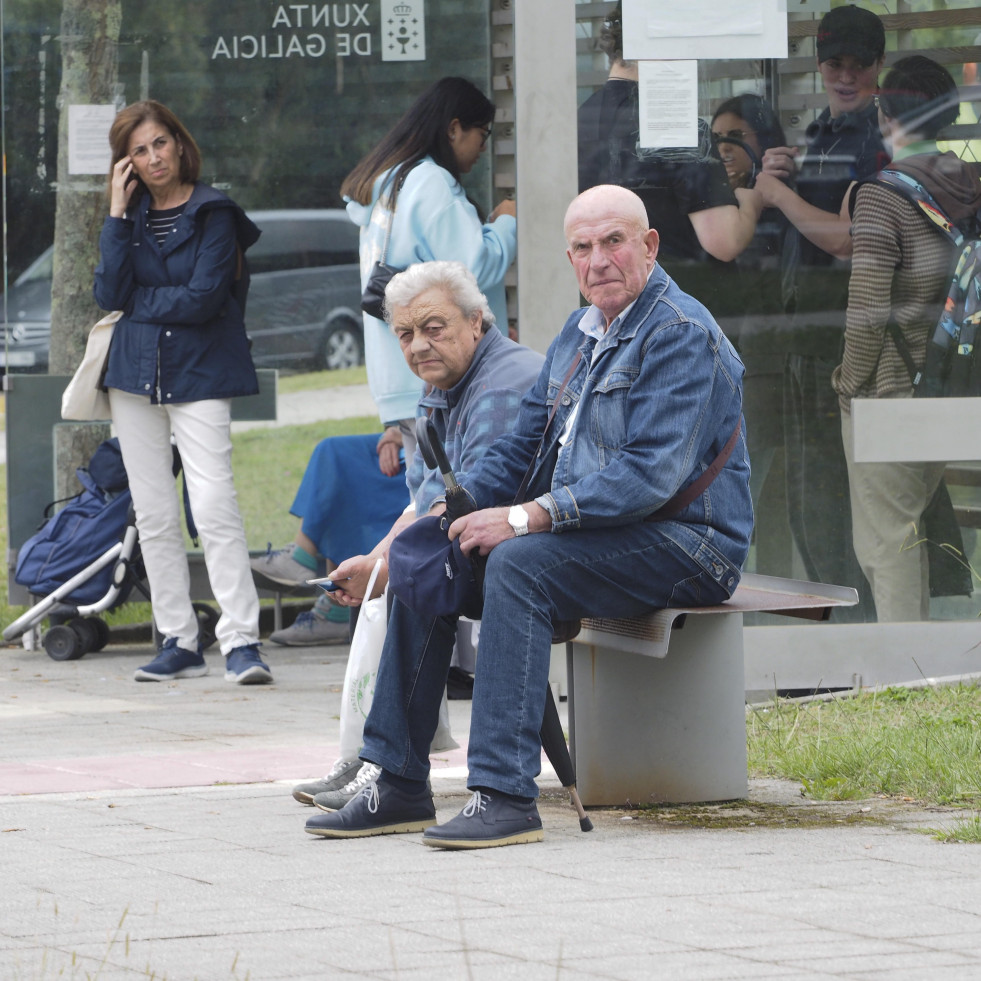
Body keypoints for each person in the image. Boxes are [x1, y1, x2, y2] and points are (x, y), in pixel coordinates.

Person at [305, 184, 753, 848]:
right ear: (569, 257)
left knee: (518, 564)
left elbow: (646, 476)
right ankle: (397, 780)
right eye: (582, 247)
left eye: (613, 242)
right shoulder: (579, 330)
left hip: (689, 543)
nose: (597, 260)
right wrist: (440, 519)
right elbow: (521, 447)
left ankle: (504, 793)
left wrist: (523, 518)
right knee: (428, 551)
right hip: (605, 534)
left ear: (648, 245)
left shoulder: (679, 334)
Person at [290, 260, 544, 808]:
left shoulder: (504, 382)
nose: (418, 345)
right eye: (405, 334)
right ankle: (380, 764)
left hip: (540, 552)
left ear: (477, 321)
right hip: (495, 546)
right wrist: (374, 561)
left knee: (417, 570)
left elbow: (467, 500)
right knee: (405, 566)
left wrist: (386, 566)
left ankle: (389, 769)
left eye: (434, 327)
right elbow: (424, 500)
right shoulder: (442, 385)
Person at [93, 100, 271, 684]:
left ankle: (241, 640)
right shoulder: (131, 217)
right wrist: (117, 212)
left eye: (159, 143)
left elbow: (203, 298)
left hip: (201, 372)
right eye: (138, 151)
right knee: (153, 511)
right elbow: (106, 291)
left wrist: (138, 306)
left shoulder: (214, 211)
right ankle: (178, 638)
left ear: (178, 142)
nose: (152, 157)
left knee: (214, 503)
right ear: (127, 163)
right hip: (134, 375)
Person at [750, 4, 889, 620]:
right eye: (835, 62)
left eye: (859, 65)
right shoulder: (822, 133)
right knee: (806, 498)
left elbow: (852, 238)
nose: (846, 75)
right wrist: (787, 170)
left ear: (878, 70)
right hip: (801, 340)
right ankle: (827, 633)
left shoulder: (877, 139)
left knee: (832, 497)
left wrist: (776, 192)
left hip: (842, 342)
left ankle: (852, 631)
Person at [832, 56, 981, 621]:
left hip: (890, 394)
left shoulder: (882, 194)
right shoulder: (968, 183)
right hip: (950, 385)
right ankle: (924, 666)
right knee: (906, 527)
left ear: (882, 110)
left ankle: (907, 676)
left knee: (885, 545)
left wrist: (846, 385)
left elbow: (867, 310)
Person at [341, 76, 517, 443]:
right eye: (482, 134)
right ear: (455, 129)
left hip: (401, 374)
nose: (484, 148)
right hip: (439, 376)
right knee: (455, 493)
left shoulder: (388, 183)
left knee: (425, 491)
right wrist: (506, 225)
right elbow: (474, 268)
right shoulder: (430, 182)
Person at [577, 2, 761, 272]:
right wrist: (751, 202)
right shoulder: (674, 124)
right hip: (674, 295)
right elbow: (724, 241)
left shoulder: (578, 121)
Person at [710, 95, 794, 576]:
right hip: (723, 373)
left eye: (737, 137)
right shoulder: (710, 212)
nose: (724, 149)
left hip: (768, 371)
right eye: (717, 138)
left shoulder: (782, 204)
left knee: (765, 497)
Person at [250, 431, 410, 646]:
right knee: (333, 452)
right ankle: (329, 598)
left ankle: (332, 605)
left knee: (343, 463)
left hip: (429, 444)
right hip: (406, 433)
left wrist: (407, 432)